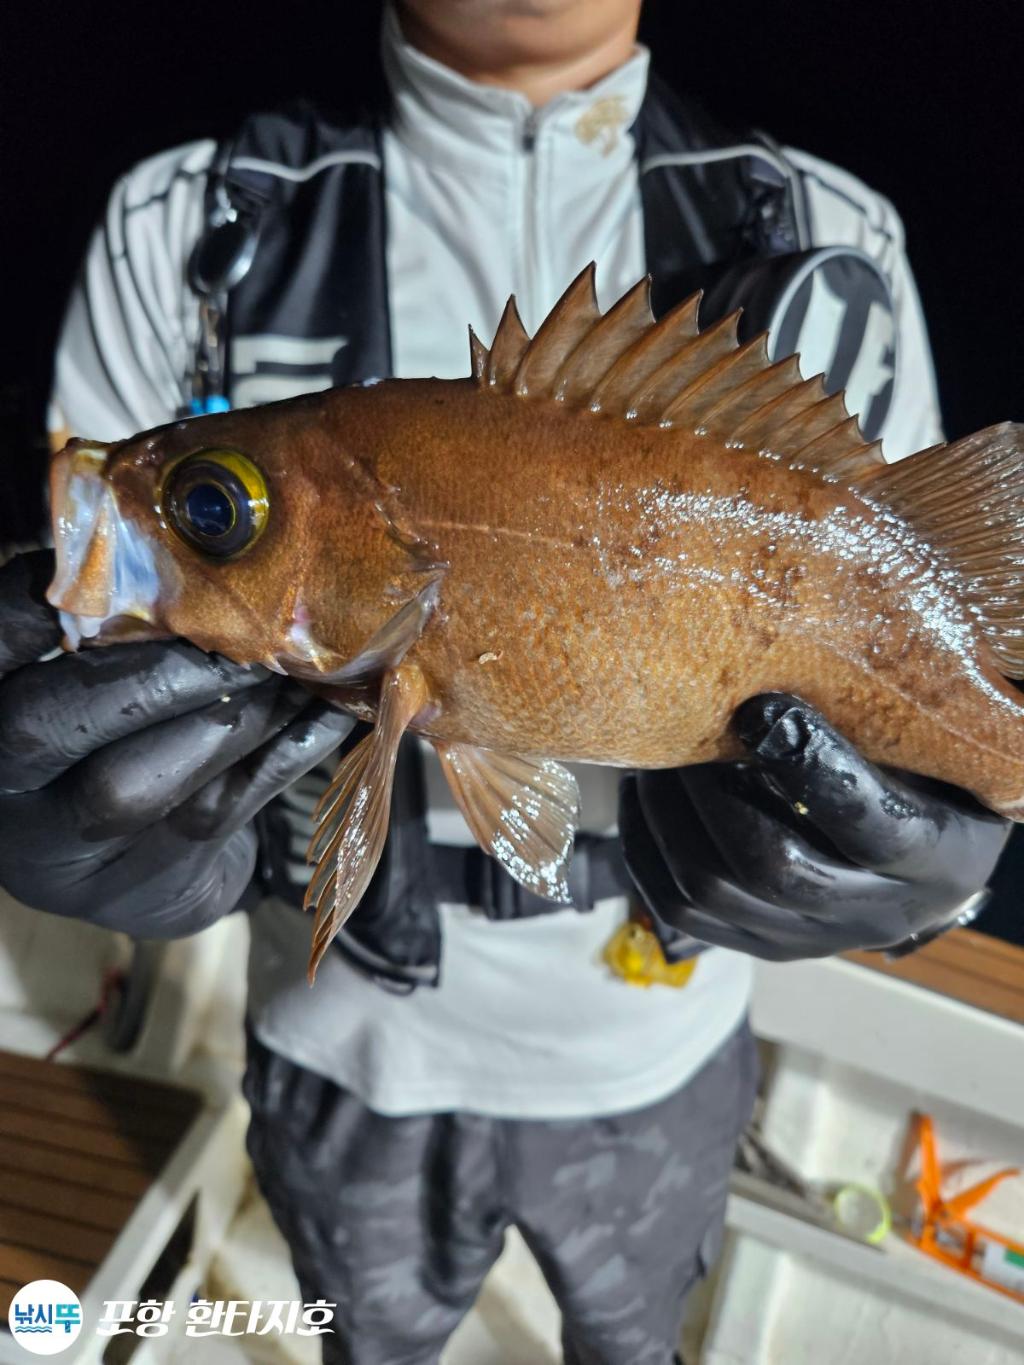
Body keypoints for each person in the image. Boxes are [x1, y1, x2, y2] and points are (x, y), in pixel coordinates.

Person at [0, 3, 1010, 1362]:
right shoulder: (181, 232)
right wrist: (49, 814)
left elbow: (946, 591)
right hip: (337, 1065)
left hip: (666, 1061)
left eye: (212, 509)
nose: (190, 524)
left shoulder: (838, 241)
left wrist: (938, 868)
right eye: (215, 505)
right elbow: (89, 617)